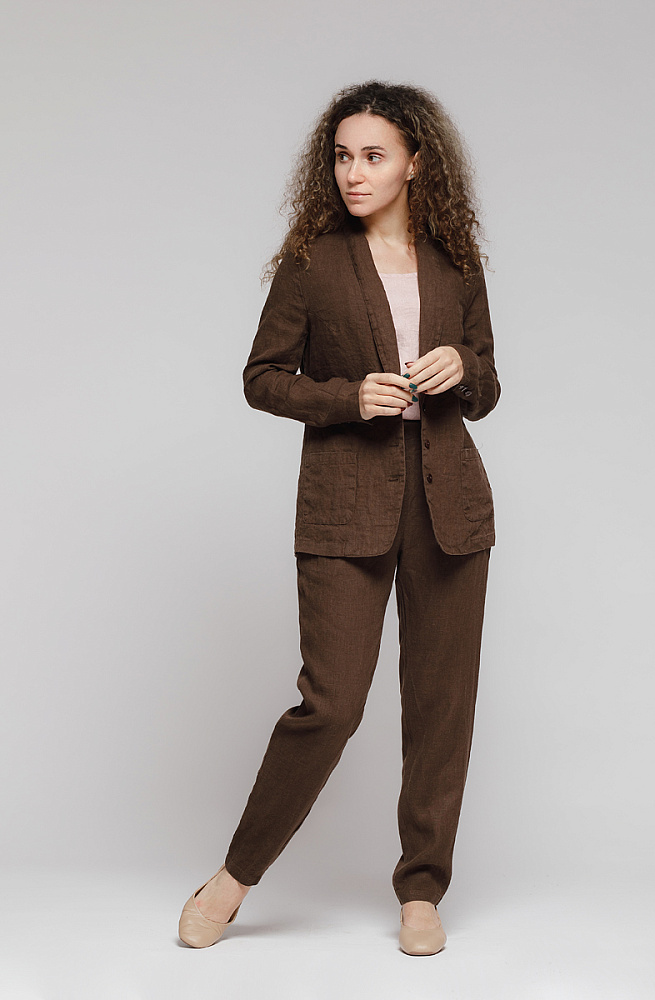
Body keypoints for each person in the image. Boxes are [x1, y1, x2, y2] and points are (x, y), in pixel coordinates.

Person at [178, 80, 500, 957]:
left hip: (448, 505)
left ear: (415, 164)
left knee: (441, 707)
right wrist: (348, 397)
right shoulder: (313, 263)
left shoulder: (455, 263)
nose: (353, 173)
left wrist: (462, 367)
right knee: (332, 704)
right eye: (342, 156)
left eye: (373, 156)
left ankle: (422, 889)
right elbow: (262, 378)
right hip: (343, 502)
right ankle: (233, 877)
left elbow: (488, 384)